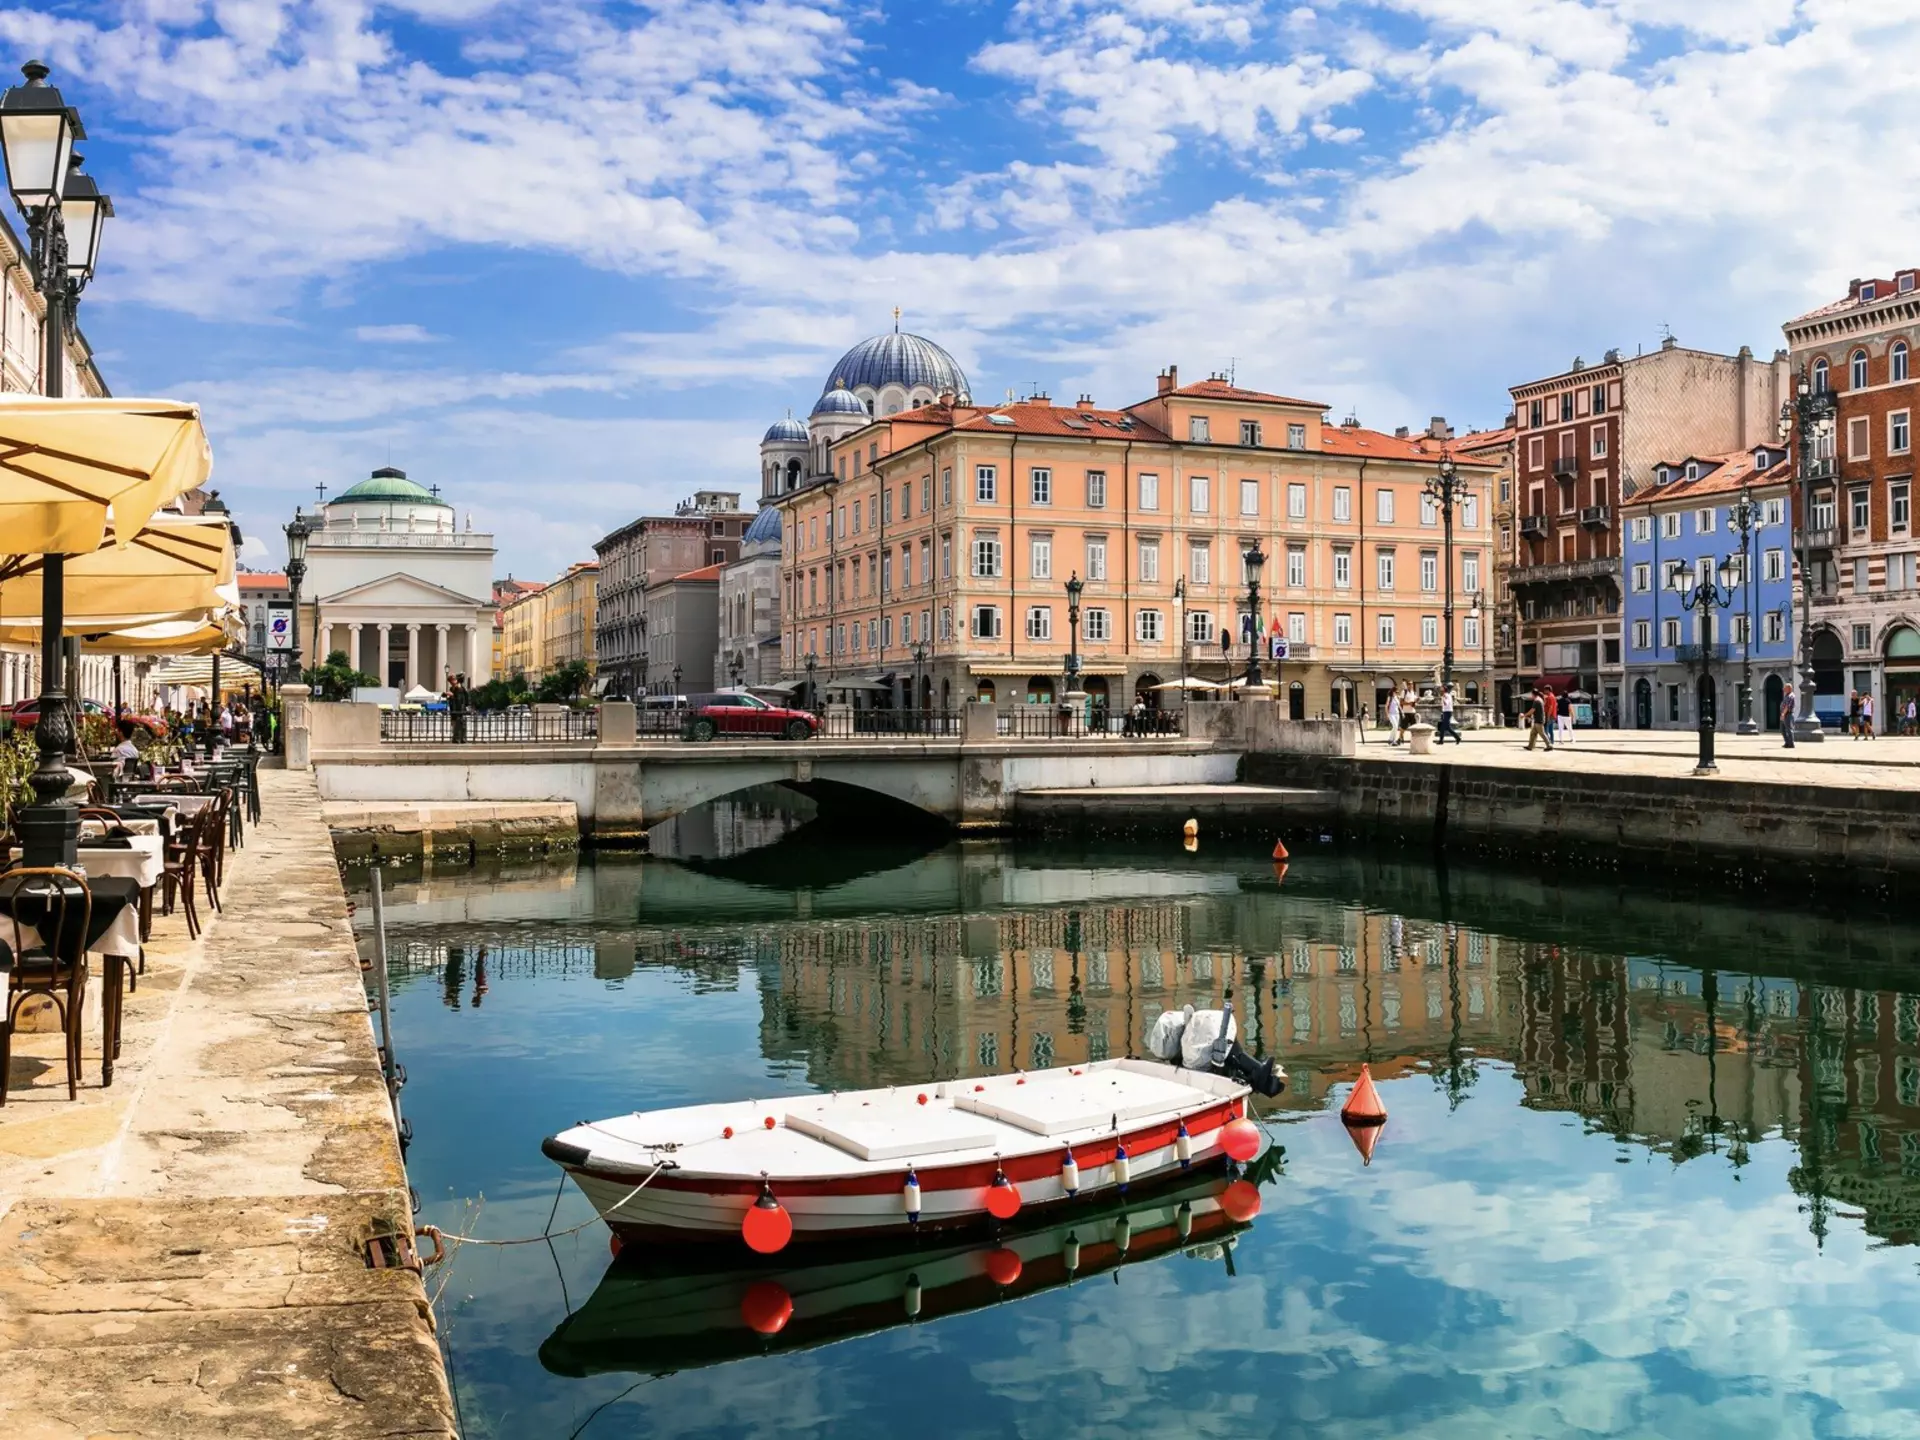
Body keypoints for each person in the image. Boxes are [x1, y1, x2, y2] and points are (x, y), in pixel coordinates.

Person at [450, 672, 469, 743]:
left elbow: (465, 699)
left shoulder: (461, 688)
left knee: (462, 724)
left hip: (460, 709)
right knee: (458, 724)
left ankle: (461, 738)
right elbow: (458, 699)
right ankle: (458, 738)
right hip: (457, 709)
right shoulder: (455, 688)